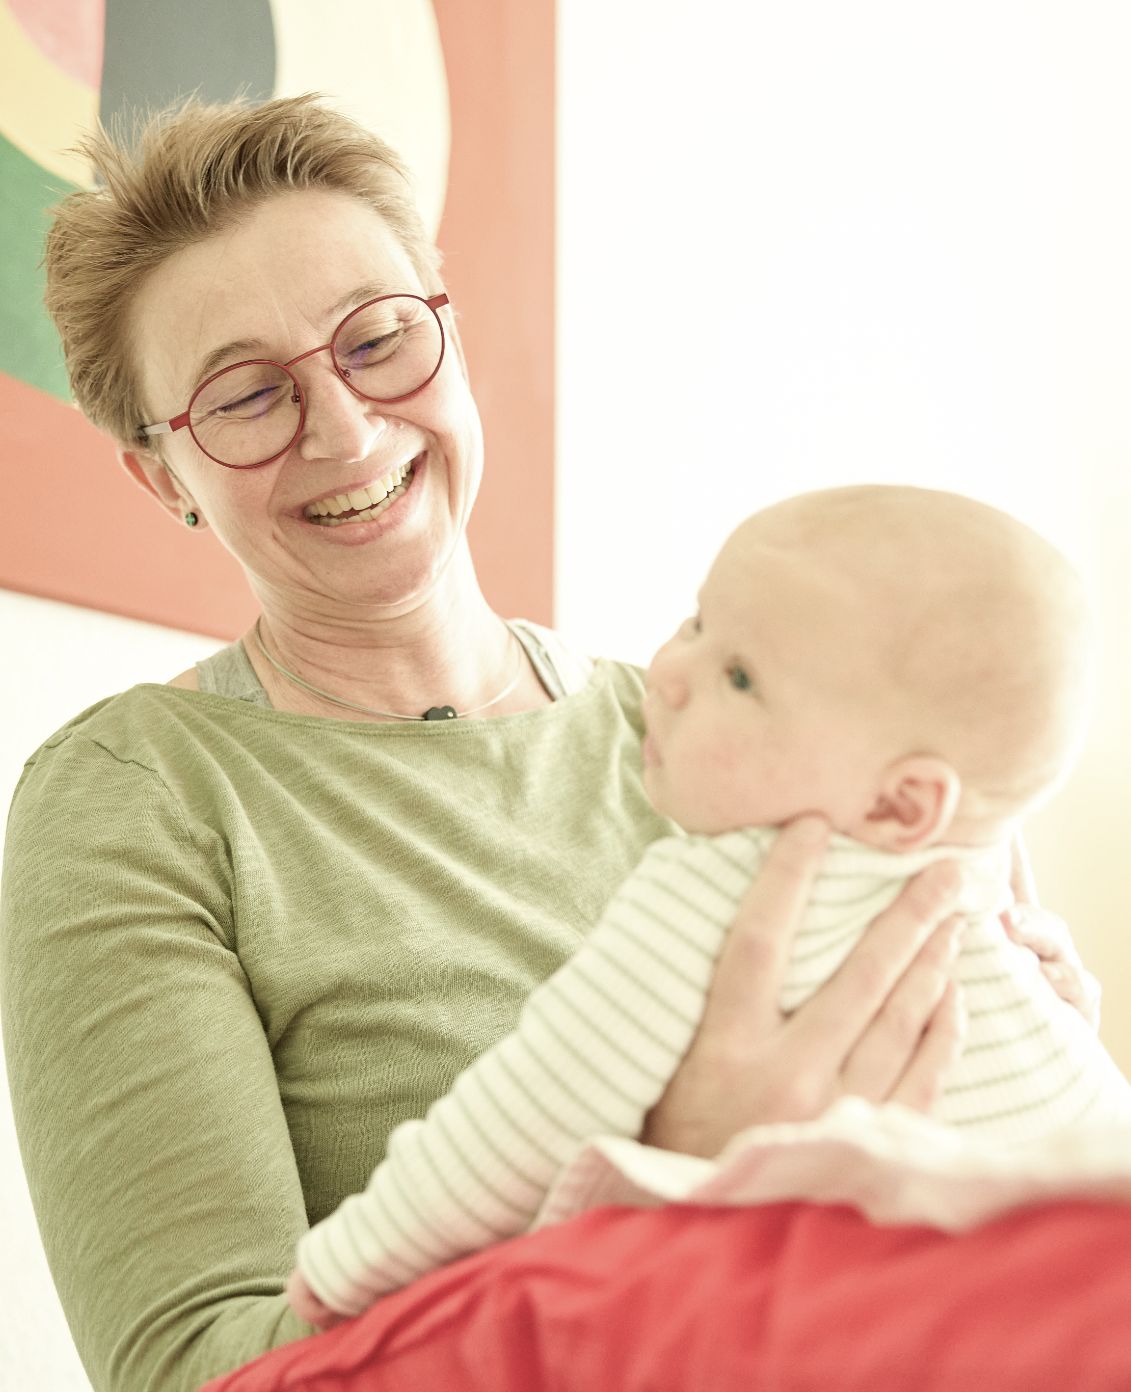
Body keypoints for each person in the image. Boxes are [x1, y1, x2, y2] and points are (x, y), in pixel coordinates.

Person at [0, 96, 1095, 1392]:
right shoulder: (139, 801)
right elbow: (201, 1376)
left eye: (378, 339)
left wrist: (1026, 1057)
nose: (344, 430)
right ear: (164, 475)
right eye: (245, 395)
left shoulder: (740, 727)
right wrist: (676, 1184)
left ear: (446, 332)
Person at [287, 484, 1129, 1325]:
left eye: (739, 676)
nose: (668, 668)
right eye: (697, 622)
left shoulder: (716, 891)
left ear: (899, 806)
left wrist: (348, 1267)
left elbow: (522, 1116)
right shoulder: (980, 894)